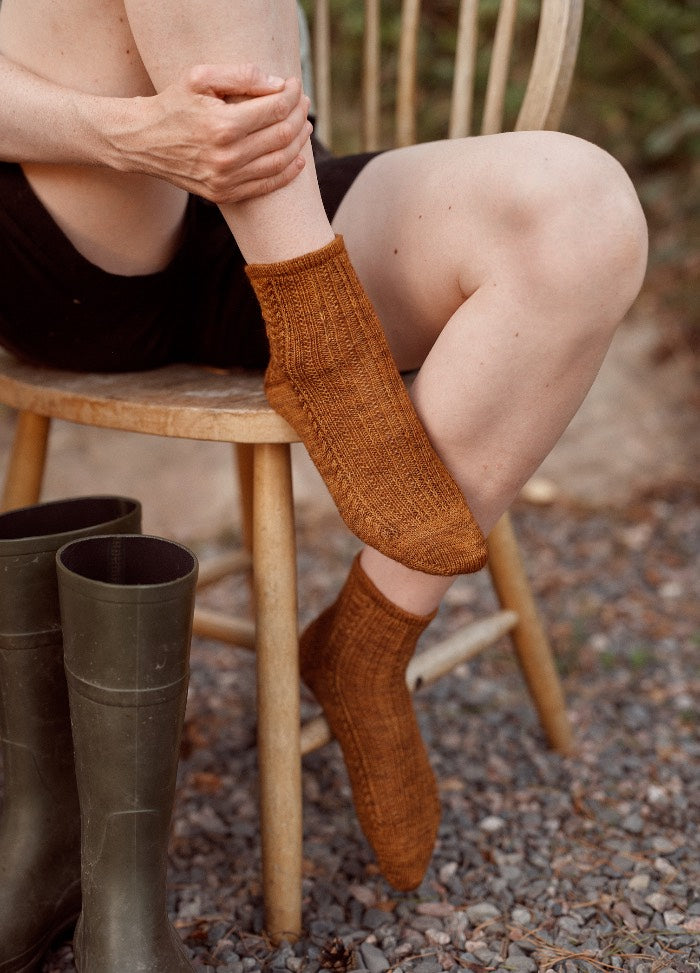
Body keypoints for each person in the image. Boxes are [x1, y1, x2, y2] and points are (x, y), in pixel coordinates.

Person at [0, 0, 647, 940]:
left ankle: (369, 641)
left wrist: (226, 150)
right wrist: (131, 136)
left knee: (582, 206)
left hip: (265, 197)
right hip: (80, 214)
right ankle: (324, 346)